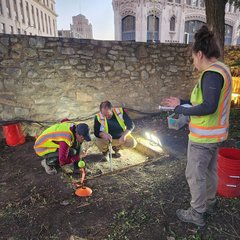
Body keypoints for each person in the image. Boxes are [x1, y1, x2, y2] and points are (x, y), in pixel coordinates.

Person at [162, 25, 232, 227]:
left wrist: (180, 109)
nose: (194, 63)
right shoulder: (222, 70)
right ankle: (209, 202)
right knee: (209, 171)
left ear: (200, 54)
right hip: (215, 136)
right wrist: (181, 101)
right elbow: (206, 101)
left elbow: (208, 107)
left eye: (193, 58)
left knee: (194, 175)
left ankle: (197, 212)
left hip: (203, 138)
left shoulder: (211, 74)